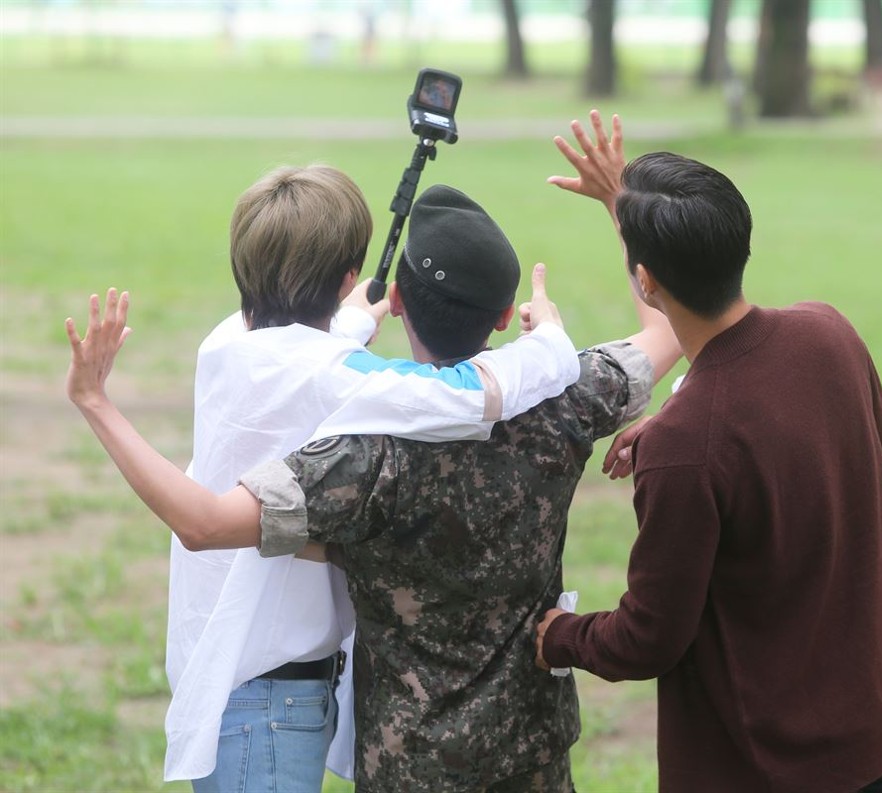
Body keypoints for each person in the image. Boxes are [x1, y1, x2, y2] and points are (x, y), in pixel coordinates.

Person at [65, 182, 682, 792]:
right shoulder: (556, 405)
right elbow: (665, 332)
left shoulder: (291, 397)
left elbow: (304, 387)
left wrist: (95, 400)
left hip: (394, 756)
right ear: (500, 313)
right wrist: (599, 242)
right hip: (531, 747)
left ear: (399, 301)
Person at [146, 164, 583, 791]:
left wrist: (346, 322)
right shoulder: (342, 378)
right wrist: (551, 345)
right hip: (273, 698)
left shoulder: (223, 345)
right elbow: (469, 395)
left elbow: (297, 356)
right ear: (350, 277)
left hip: (228, 676)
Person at [535, 111, 882, 792]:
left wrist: (559, 635)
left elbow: (649, 637)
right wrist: (621, 206)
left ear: (645, 280)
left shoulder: (686, 445)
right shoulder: (828, 331)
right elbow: (869, 442)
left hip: (786, 767)